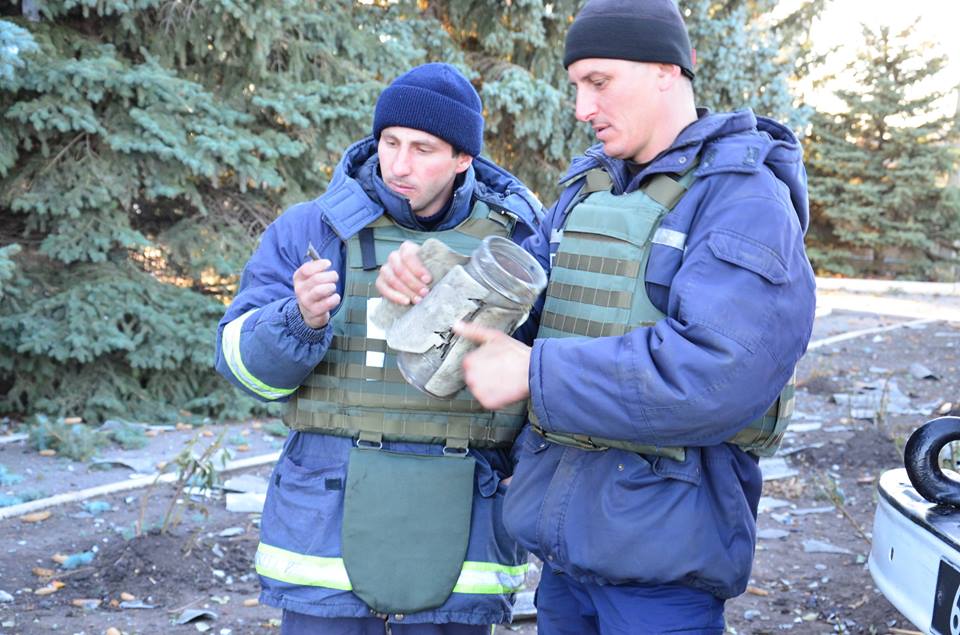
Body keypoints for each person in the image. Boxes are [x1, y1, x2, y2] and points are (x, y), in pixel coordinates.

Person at [376, 1, 818, 633]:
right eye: (576, 85)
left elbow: (717, 375)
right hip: (565, 563)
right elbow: (524, 310)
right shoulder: (590, 193)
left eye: (599, 82)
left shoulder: (743, 200)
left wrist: (537, 374)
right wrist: (433, 282)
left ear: (667, 71)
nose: (582, 107)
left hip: (662, 576)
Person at [214, 62, 543, 635]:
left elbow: (546, 374)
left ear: (463, 158)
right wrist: (297, 320)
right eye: (390, 142)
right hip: (325, 532)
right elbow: (241, 369)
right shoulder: (312, 230)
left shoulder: (518, 241)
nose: (399, 164)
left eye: (423, 148)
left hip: (464, 523)